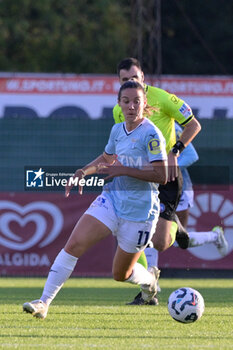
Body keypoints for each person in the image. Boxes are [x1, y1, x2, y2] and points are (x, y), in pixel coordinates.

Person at [22, 81, 168, 319]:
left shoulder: (151, 134)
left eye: (137, 101)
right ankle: (44, 302)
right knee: (73, 245)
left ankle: (150, 281)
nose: (131, 106)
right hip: (112, 200)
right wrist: (82, 172)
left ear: (144, 104)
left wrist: (123, 171)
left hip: (140, 213)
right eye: (126, 101)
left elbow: (162, 176)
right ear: (119, 104)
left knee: (120, 274)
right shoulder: (117, 130)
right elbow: (107, 158)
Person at [113, 57, 201, 305]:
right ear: (118, 83)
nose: (130, 82)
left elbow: (194, 124)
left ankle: (176, 226)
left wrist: (176, 151)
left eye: (134, 78)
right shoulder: (118, 110)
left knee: (161, 243)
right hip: (141, 179)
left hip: (166, 175)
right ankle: (146, 291)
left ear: (143, 78)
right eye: (124, 80)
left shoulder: (163, 98)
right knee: (131, 233)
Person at [145, 123, 228, 281]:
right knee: (149, 230)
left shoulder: (168, 125)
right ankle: (150, 284)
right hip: (156, 188)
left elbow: (191, 155)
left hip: (178, 190)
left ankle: (214, 236)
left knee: (179, 240)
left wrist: (165, 171)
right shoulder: (140, 124)